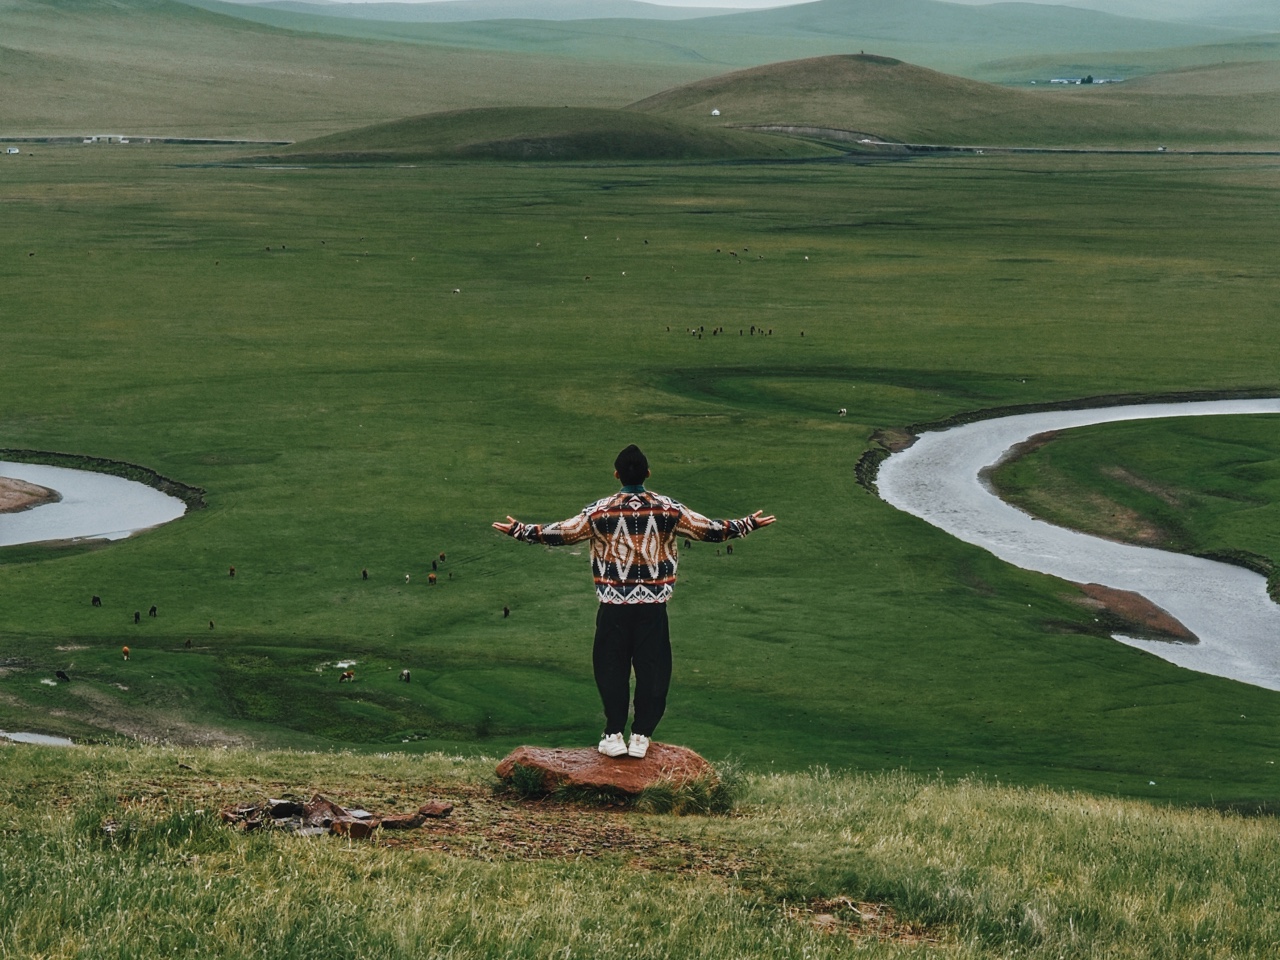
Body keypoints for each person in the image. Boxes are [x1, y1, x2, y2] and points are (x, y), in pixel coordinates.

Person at [492, 444, 774, 759]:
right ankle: (641, 735)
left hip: (613, 606)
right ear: (648, 474)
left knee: (610, 668)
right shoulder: (668, 509)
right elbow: (708, 530)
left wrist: (520, 530)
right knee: (654, 670)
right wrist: (747, 524)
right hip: (653, 608)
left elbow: (564, 533)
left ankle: (613, 733)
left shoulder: (599, 511)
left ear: (616, 475)